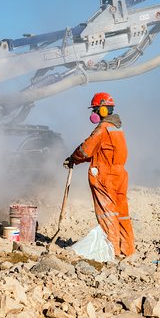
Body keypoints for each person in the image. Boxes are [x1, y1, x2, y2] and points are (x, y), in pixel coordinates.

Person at [65, 92, 135, 257]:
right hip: (120, 174)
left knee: (107, 213)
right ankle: (127, 250)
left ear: (103, 110)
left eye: (95, 109)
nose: (93, 114)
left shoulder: (103, 128)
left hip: (105, 175)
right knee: (122, 213)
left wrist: (73, 158)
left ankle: (112, 251)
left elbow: (86, 149)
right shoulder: (117, 128)